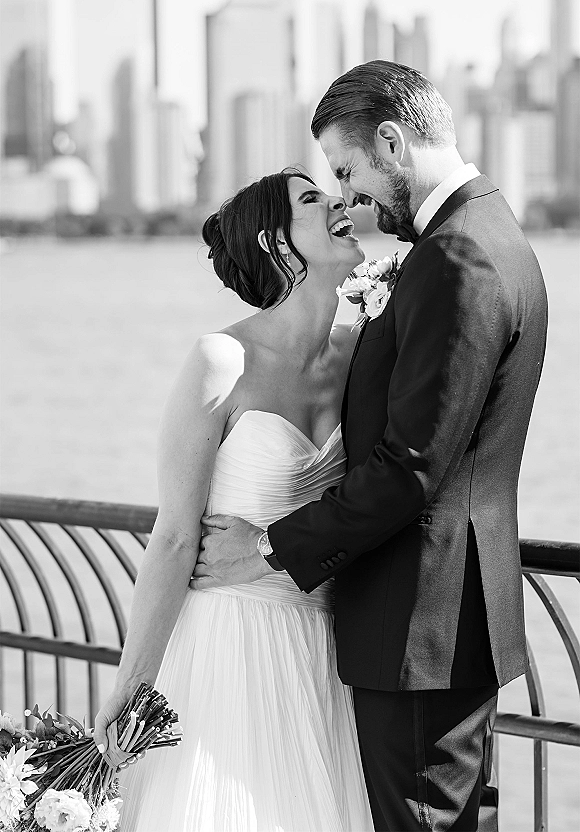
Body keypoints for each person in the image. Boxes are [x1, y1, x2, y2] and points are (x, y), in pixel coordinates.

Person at [191, 61, 549, 831]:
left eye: (348, 171)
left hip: (421, 629)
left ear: (392, 142)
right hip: (432, 625)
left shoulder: (458, 258)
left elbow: (410, 468)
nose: (349, 196)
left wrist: (265, 548)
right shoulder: (481, 235)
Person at [93, 168, 374, 831]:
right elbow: (174, 538)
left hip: (327, 647)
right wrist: (131, 687)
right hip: (231, 649)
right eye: (312, 199)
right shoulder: (221, 360)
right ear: (276, 244)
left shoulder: (363, 350)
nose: (337, 200)